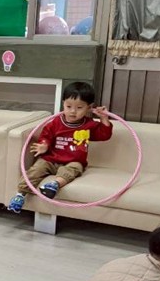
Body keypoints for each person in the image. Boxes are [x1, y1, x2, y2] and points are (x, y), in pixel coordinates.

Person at [8, 81, 112, 213]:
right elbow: (46, 136)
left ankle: (54, 184)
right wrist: (44, 146)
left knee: (74, 168)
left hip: (73, 161)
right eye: (68, 106)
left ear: (89, 107)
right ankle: (20, 195)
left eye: (79, 107)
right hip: (50, 159)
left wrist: (104, 118)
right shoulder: (55, 123)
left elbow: (104, 135)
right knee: (36, 169)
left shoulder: (89, 125)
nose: (73, 111)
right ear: (63, 103)